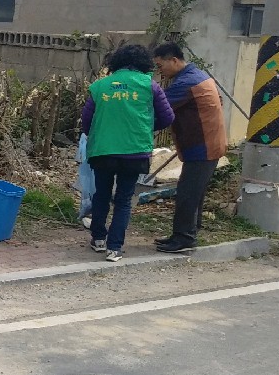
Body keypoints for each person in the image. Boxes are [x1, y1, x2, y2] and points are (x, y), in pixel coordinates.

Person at [82, 44, 175, 262]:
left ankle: (98, 239)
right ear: (144, 63)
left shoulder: (99, 86)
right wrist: (144, 126)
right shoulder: (149, 86)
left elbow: (87, 122)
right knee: (123, 200)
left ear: (116, 63)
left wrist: (103, 133)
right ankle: (115, 248)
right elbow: (168, 117)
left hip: (103, 151)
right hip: (135, 151)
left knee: (101, 195)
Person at [152, 42, 227, 253]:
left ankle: (184, 238)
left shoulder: (186, 83)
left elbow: (160, 109)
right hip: (206, 143)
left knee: (187, 193)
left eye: (160, 65)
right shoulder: (198, 76)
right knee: (194, 193)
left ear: (174, 60)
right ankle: (187, 233)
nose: (159, 71)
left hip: (202, 146)